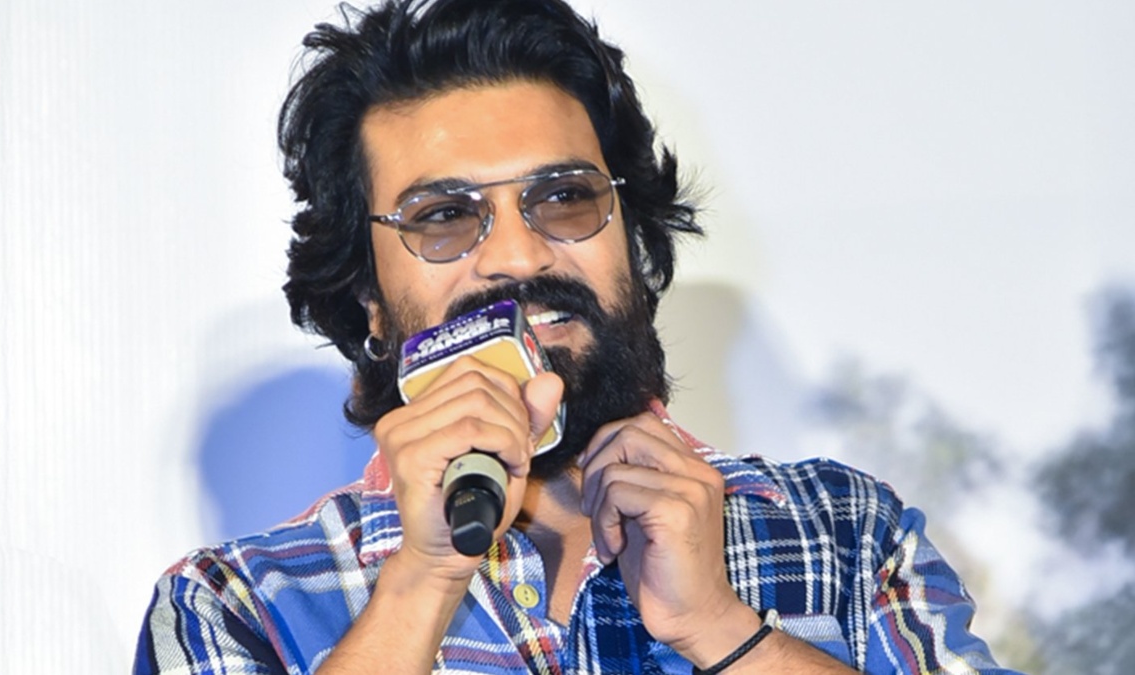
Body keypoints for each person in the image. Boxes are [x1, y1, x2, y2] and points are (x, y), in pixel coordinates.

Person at [134, 1, 1019, 673]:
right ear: (368, 296)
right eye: (444, 216)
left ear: (631, 240)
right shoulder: (236, 602)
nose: (519, 254)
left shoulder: (847, 531)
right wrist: (423, 580)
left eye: (563, 198)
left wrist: (720, 627)